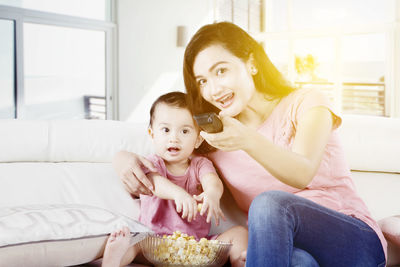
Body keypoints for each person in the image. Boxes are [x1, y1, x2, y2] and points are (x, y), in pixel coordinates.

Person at [113, 22, 387, 266]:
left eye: (221, 71)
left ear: (251, 63)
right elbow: (170, 144)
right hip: (286, 250)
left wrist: (247, 139)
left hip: (355, 241)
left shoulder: (307, 102)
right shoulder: (215, 139)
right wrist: (122, 158)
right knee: (300, 262)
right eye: (202, 82)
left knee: (270, 204)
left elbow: (302, 171)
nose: (213, 89)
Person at [103, 91, 248, 267]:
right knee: (134, 241)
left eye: (185, 131)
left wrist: (212, 193)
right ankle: (113, 261)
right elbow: (154, 183)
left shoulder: (199, 164)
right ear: (152, 134)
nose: (174, 138)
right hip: (154, 243)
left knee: (240, 232)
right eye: (165, 130)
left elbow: (212, 180)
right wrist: (179, 194)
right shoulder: (152, 163)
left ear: (198, 139)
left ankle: (240, 261)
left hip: (195, 246)